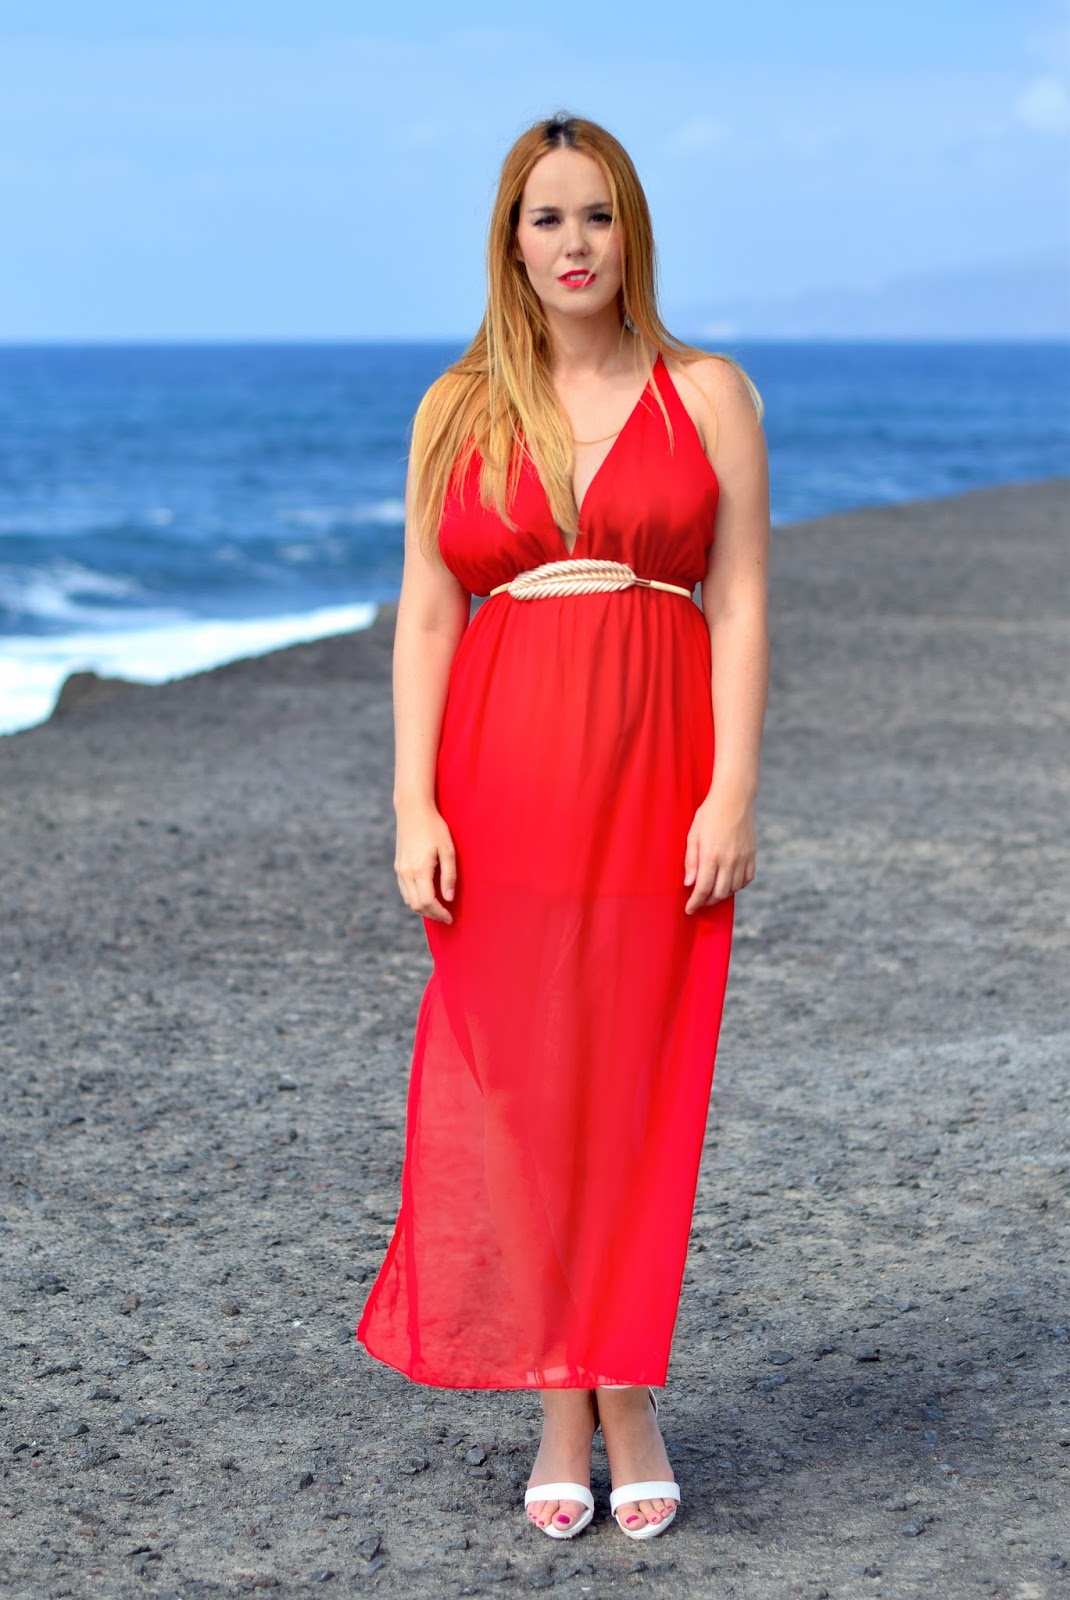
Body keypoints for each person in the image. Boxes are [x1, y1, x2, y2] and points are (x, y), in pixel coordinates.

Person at [356, 110, 770, 1543]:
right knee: (521, 1093)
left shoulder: (708, 392)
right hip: (500, 783)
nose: (575, 243)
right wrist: (413, 802)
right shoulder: (456, 406)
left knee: (640, 1084)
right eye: (548, 218)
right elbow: (426, 613)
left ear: (630, 231)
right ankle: (557, 1400)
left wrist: (731, 790)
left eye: (597, 215)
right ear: (511, 240)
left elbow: (740, 601)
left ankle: (625, 1391)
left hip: (660, 778)